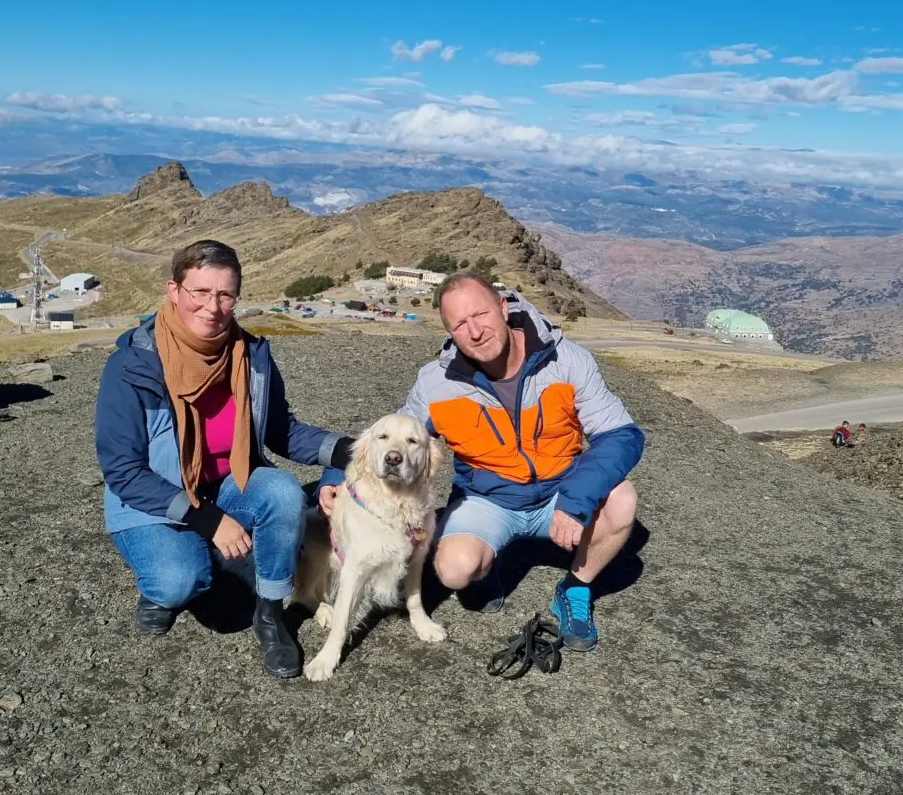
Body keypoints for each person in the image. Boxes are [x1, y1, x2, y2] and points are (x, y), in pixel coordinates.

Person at [95, 239, 352, 679]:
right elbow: (123, 469)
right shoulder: (132, 366)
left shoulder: (249, 356)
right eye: (200, 292)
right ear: (174, 291)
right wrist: (209, 521)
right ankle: (162, 588)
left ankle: (269, 614)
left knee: (282, 492)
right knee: (180, 582)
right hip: (153, 498)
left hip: (227, 482)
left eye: (225, 294)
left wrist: (351, 450)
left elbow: (280, 431)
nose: (213, 307)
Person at [370, 273, 644, 651]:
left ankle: (575, 589)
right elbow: (391, 435)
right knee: (454, 571)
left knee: (621, 501)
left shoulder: (565, 359)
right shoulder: (437, 383)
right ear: (449, 332)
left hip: (560, 490)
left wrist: (577, 499)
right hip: (487, 499)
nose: (475, 331)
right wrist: (339, 479)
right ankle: (487, 568)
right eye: (460, 325)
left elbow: (620, 435)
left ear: (503, 307)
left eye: (480, 314)